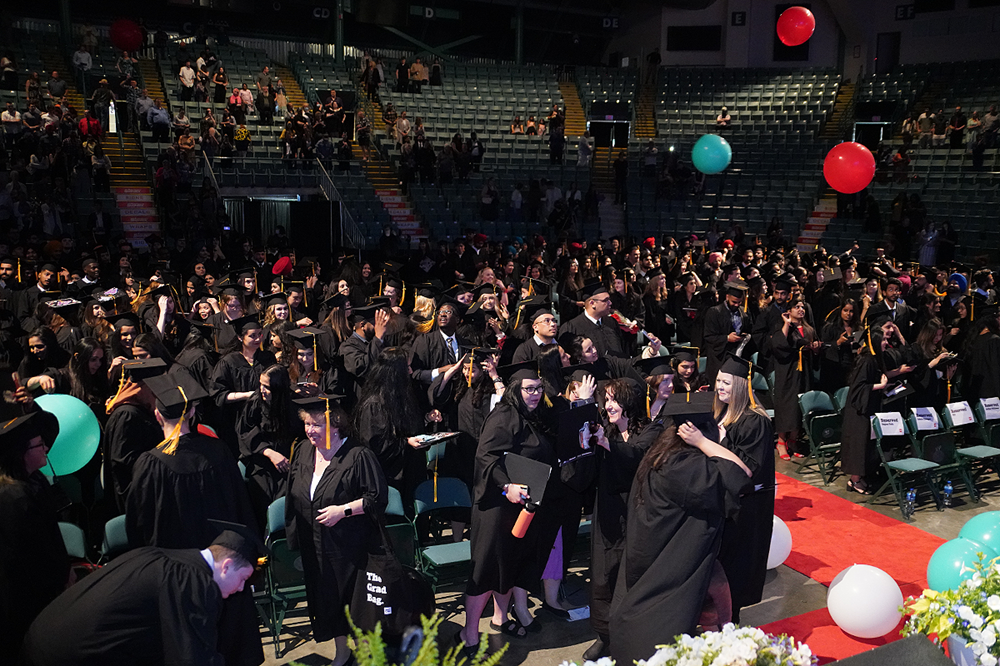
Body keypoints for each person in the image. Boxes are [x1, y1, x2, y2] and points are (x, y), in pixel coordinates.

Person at [609, 397, 750, 666]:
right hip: (673, 559)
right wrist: (704, 442)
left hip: (652, 547)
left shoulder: (662, 453)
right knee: (705, 613)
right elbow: (740, 474)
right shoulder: (686, 465)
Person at [19, 521, 265, 666]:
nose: (240, 589)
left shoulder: (160, 556)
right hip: (65, 657)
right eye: (243, 579)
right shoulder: (194, 582)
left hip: (42, 638)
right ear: (226, 566)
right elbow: (191, 658)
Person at [459, 367, 562, 647]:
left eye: (539, 389)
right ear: (515, 389)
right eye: (529, 389)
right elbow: (485, 458)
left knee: (508, 567)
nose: (535, 394)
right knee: (486, 571)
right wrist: (506, 486)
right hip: (495, 507)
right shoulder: (504, 415)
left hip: (517, 509)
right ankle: (468, 633)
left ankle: (500, 618)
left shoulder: (531, 416)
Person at [285, 397, 388, 666]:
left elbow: (376, 498)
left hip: (350, 548)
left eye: (317, 424)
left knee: (354, 604)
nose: (310, 430)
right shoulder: (304, 451)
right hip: (316, 546)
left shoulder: (358, 455)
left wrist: (342, 510)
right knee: (329, 602)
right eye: (307, 423)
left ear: (335, 425)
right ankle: (342, 653)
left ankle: (366, 655)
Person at [585, 378, 664, 660]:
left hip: (638, 513)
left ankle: (634, 635)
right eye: (606, 400)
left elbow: (637, 454)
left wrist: (608, 444)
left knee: (633, 577)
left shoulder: (653, 429)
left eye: (614, 400)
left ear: (630, 401)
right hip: (608, 512)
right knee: (604, 576)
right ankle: (604, 636)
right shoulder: (604, 430)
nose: (608, 406)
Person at [0, 410, 70, 657]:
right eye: (39, 445)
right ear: (22, 454)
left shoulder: (36, 480)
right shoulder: (13, 500)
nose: (46, 449)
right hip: (26, 599)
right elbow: (30, 557)